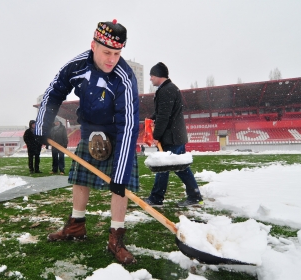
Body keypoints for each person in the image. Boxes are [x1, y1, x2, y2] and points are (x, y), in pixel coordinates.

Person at [35, 19, 139, 265]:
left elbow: (129, 124)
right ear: (93, 46)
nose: (112, 59)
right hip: (89, 130)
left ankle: (116, 237)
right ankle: (76, 226)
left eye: (117, 53)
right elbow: (54, 92)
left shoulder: (125, 78)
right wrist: (42, 126)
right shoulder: (77, 65)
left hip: (117, 133)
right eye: (107, 52)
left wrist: (120, 174)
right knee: (80, 180)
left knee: (119, 187)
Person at [143, 62, 204, 208]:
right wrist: (151, 119)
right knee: (180, 167)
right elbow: (161, 113)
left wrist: (156, 135)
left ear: (158, 75)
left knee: (162, 167)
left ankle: (156, 198)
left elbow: (164, 116)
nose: (150, 79)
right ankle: (195, 196)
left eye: (151, 76)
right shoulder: (169, 88)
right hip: (175, 135)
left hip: (171, 137)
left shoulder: (166, 90)